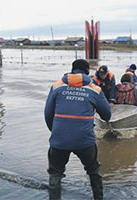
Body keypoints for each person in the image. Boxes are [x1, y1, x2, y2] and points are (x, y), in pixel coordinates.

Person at [44, 59, 111, 200]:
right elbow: (107, 116)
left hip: (59, 140)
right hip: (84, 140)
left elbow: (48, 114)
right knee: (93, 171)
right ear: (88, 71)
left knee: (55, 173)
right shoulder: (95, 89)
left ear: (72, 69)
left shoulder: (56, 87)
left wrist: (56, 132)